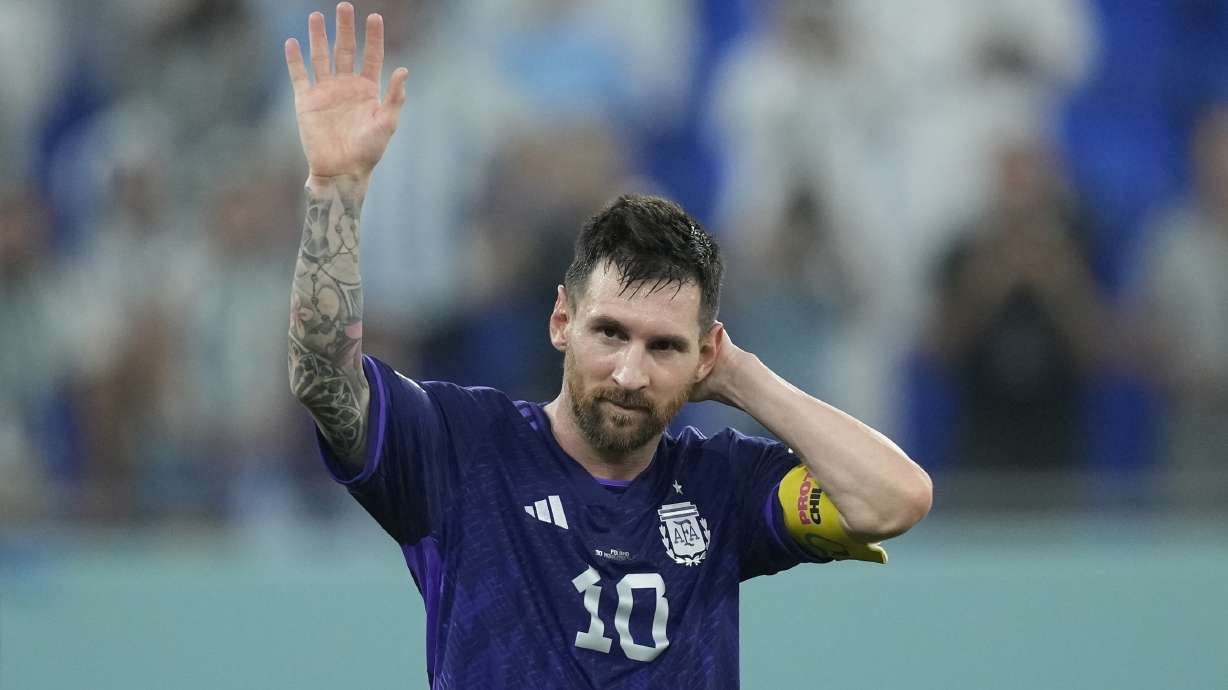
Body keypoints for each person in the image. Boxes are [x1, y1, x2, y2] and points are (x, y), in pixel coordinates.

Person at [284, 4, 932, 688]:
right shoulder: (461, 449)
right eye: (610, 332)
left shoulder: (724, 486)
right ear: (563, 321)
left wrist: (742, 376)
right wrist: (335, 191)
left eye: (664, 348)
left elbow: (894, 500)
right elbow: (324, 374)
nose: (629, 371)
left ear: (703, 356)